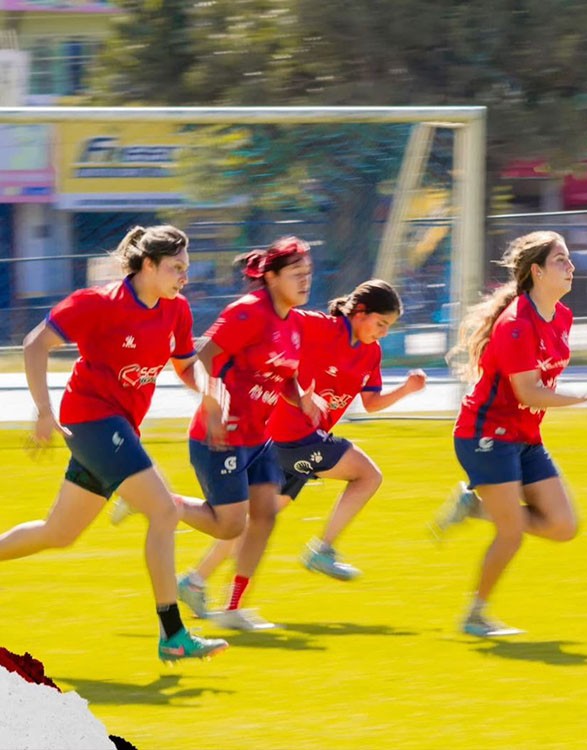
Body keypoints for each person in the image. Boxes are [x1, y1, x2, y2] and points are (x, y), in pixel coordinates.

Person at [2, 225, 228, 662]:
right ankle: (173, 635)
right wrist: (44, 410)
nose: (185, 276)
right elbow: (35, 345)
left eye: (186, 267)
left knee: (60, 532)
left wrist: (210, 390)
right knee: (164, 509)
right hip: (88, 419)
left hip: (119, 427)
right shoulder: (98, 304)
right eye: (176, 268)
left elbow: (184, 366)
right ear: (147, 266)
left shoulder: (176, 310)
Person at [175, 279, 426, 600]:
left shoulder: (371, 354)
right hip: (289, 437)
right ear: (359, 312)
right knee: (368, 475)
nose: (383, 332)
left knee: (254, 520)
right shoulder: (321, 326)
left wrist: (406, 389)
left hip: (303, 443)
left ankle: (195, 582)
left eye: (388, 326)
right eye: (381, 323)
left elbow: (372, 402)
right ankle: (322, 549)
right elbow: (276, 318)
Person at [115, 236, 318, 632]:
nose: (305, 281)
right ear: (272, 277)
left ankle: (233, 608)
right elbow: (202, 360)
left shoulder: (294, 323)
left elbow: (283, 377)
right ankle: (152, 499)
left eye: (308, 274)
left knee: (265, 517)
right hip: (220, 437)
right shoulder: (247, 312)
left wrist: (303, 399)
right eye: (297, 274)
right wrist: (213, 406)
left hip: (259, 439)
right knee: (230, 525)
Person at [435, 230, 587, 637]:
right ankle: (475, 616)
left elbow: (537, 392)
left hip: (524, 435)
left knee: (562, 526)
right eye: (560, 260)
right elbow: (528, 390)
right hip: (486, 434)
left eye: (569, 258)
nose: (571, 266)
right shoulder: (517, 322)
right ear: (536, 271)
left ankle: (474, 507)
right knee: (512, 532)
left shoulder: (563, 317)